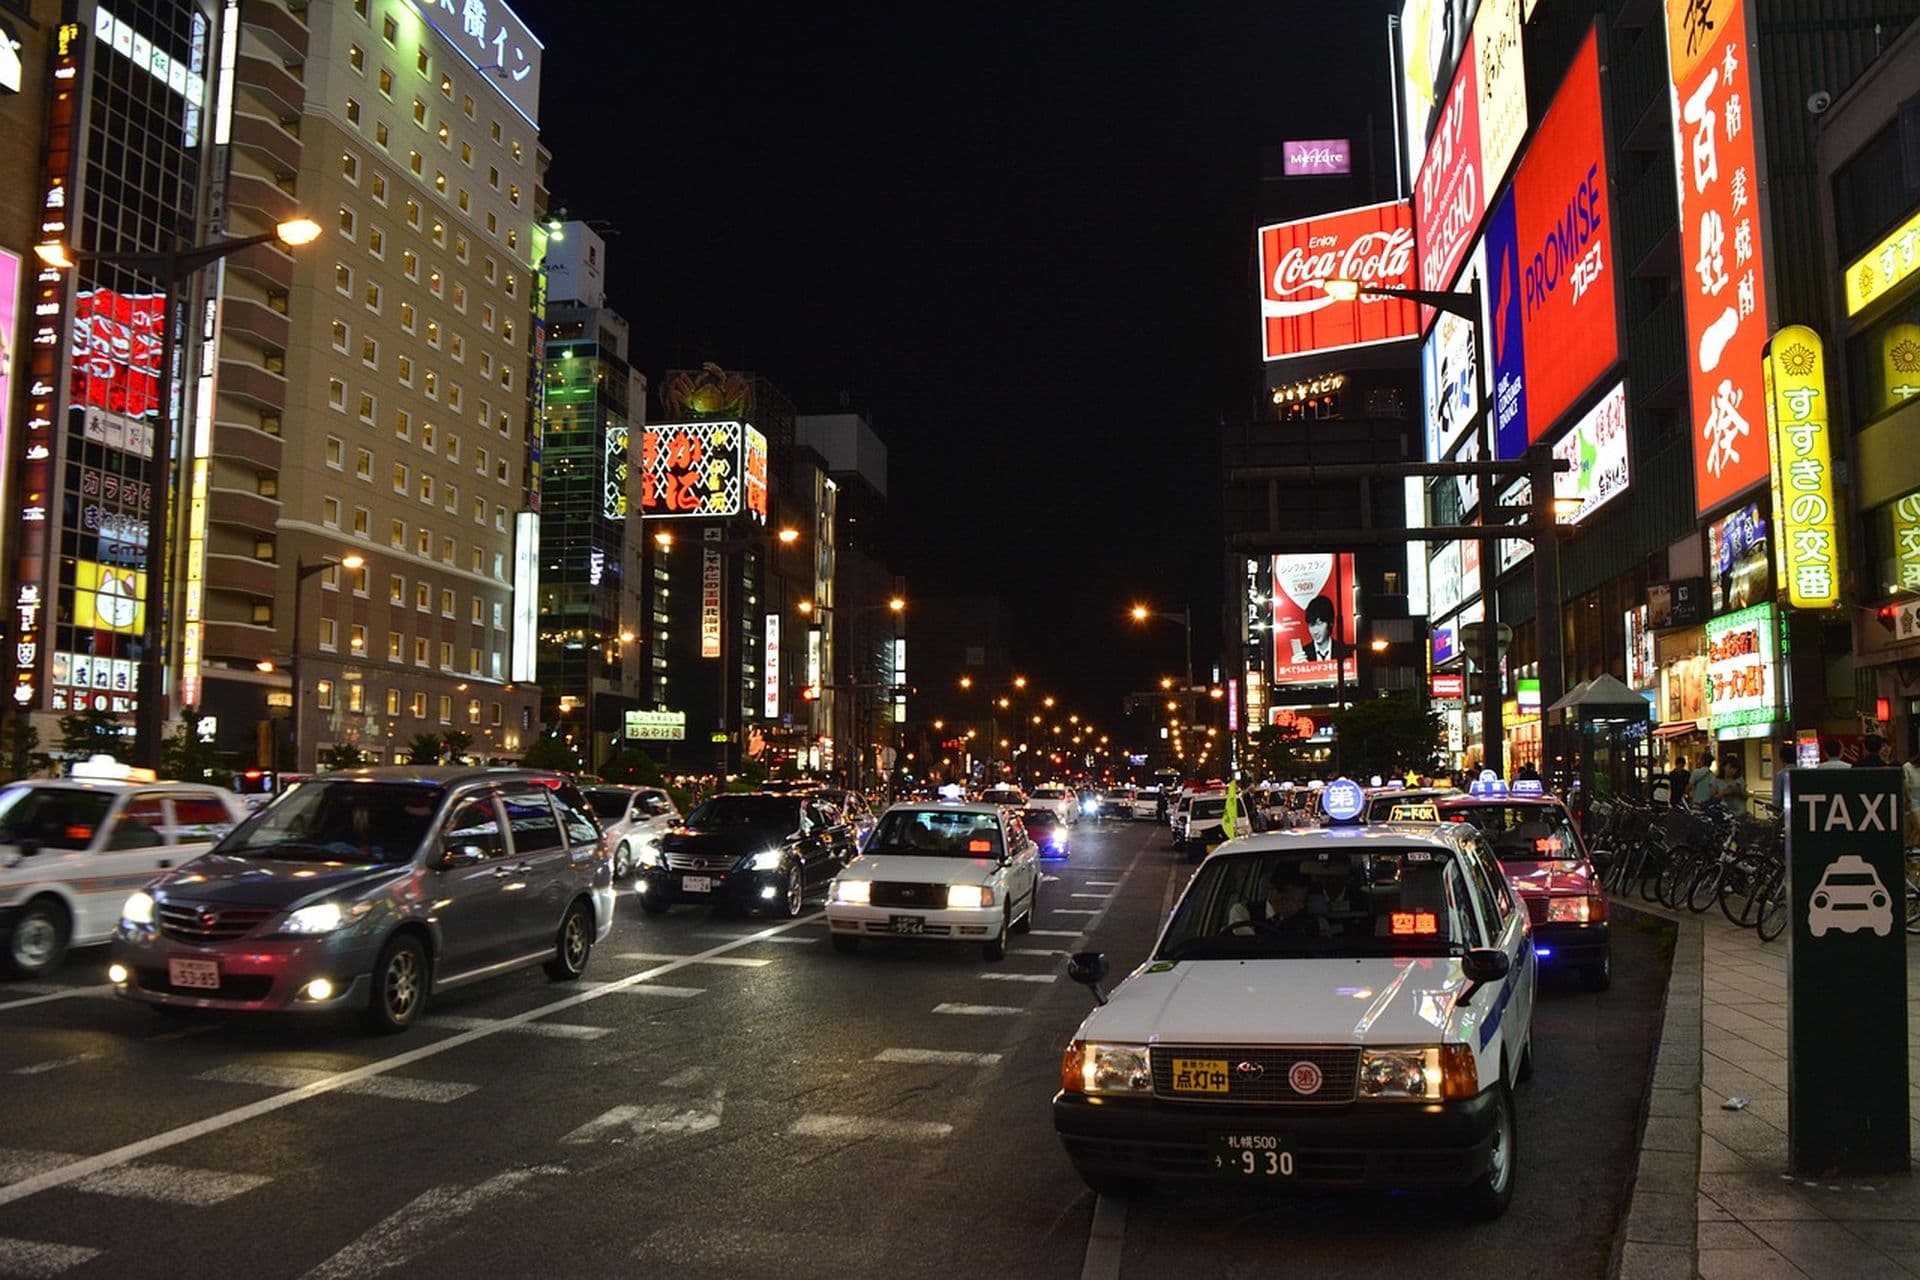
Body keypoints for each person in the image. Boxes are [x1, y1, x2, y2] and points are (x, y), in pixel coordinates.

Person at [1291, 595, 1354, 664]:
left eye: (1319, 624)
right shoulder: (1303, 654)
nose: (1315, 631)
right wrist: (1295, 667)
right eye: (1312, 625)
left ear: (1331, 623)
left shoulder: (1344, 651)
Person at [1904, 750, 1920, 848]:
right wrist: (1908, 800)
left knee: (1917, 830)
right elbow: (1906, 785)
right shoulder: (1907, 767)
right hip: (1912, 800)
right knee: (1918, 826)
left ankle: (1911, 846)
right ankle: (1910, 846)